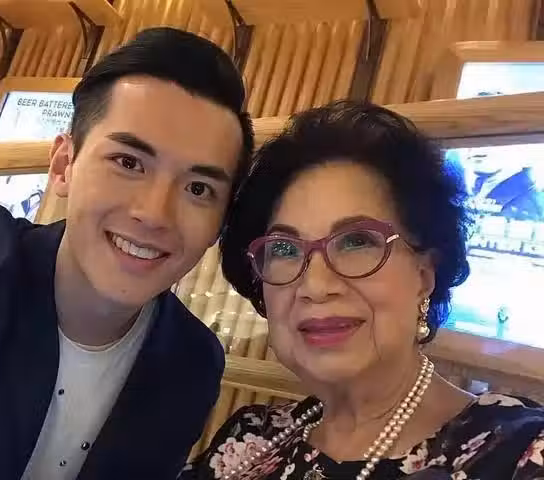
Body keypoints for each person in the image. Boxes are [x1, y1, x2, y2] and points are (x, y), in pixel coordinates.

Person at [0, 28, 253, 480]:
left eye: (199, 189)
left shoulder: (193, 364)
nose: (154, 214)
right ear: (64, 164)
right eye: (128, 163)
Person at [181, 101, 544, 480]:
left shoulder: (517, 454)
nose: (315, 286)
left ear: (424, 276)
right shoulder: (250, 440)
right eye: (285, 249)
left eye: (356, 241)